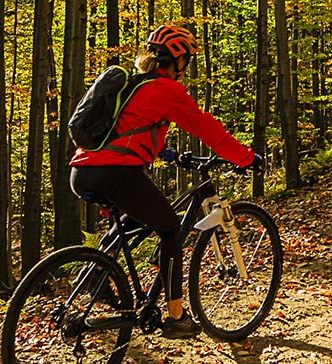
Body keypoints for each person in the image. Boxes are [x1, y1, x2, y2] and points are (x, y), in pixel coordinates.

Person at [69, 24, 261, 339]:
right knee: (171, 228)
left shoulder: (135, 84)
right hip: (117, 173)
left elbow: (131, 131)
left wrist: (169, 153)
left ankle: (96, 273)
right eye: (186, 58)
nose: (187, 66)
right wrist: (245, 158)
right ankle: (176, 317)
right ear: (176, 59)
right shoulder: (168, 90)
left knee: (133, 221)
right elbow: (207, 129)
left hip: (83, 171)